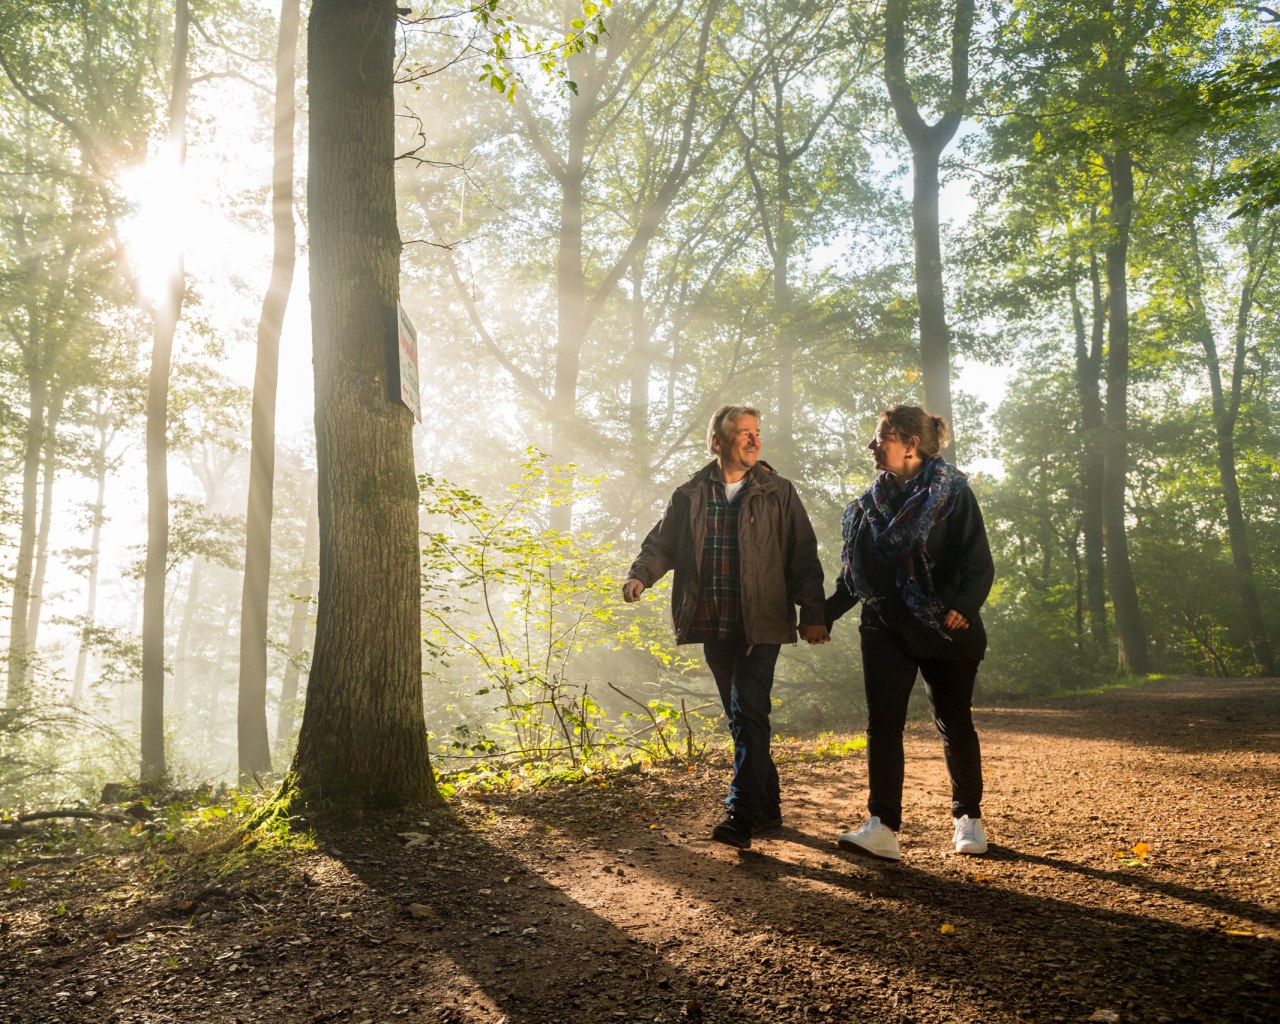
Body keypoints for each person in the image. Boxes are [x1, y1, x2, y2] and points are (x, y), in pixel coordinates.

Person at [623, 405, 829, 849]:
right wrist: (641, 575)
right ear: (717, 441)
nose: (754, 440)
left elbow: (802, 555)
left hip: (761, 624)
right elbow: (662, 544)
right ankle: (768, 807)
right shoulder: (690, 494)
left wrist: (813, 613)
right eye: (743, 433)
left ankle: (741, 814)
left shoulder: (778, 492)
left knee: (749, 710)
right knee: (741, 717)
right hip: (712, 622)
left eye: (757, 432)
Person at [825, 405, 994, 861]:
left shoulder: (953, 494)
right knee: (883, 725)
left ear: (910, 444)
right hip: (884, 627)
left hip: (945, 627)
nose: (872, 445)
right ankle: (882, 826)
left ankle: (968, 818)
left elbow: (978, 562)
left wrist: (963, 607)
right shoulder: (868, 505)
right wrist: (823, 615)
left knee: (954, 721)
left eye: (881, 436)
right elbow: (854, 576)